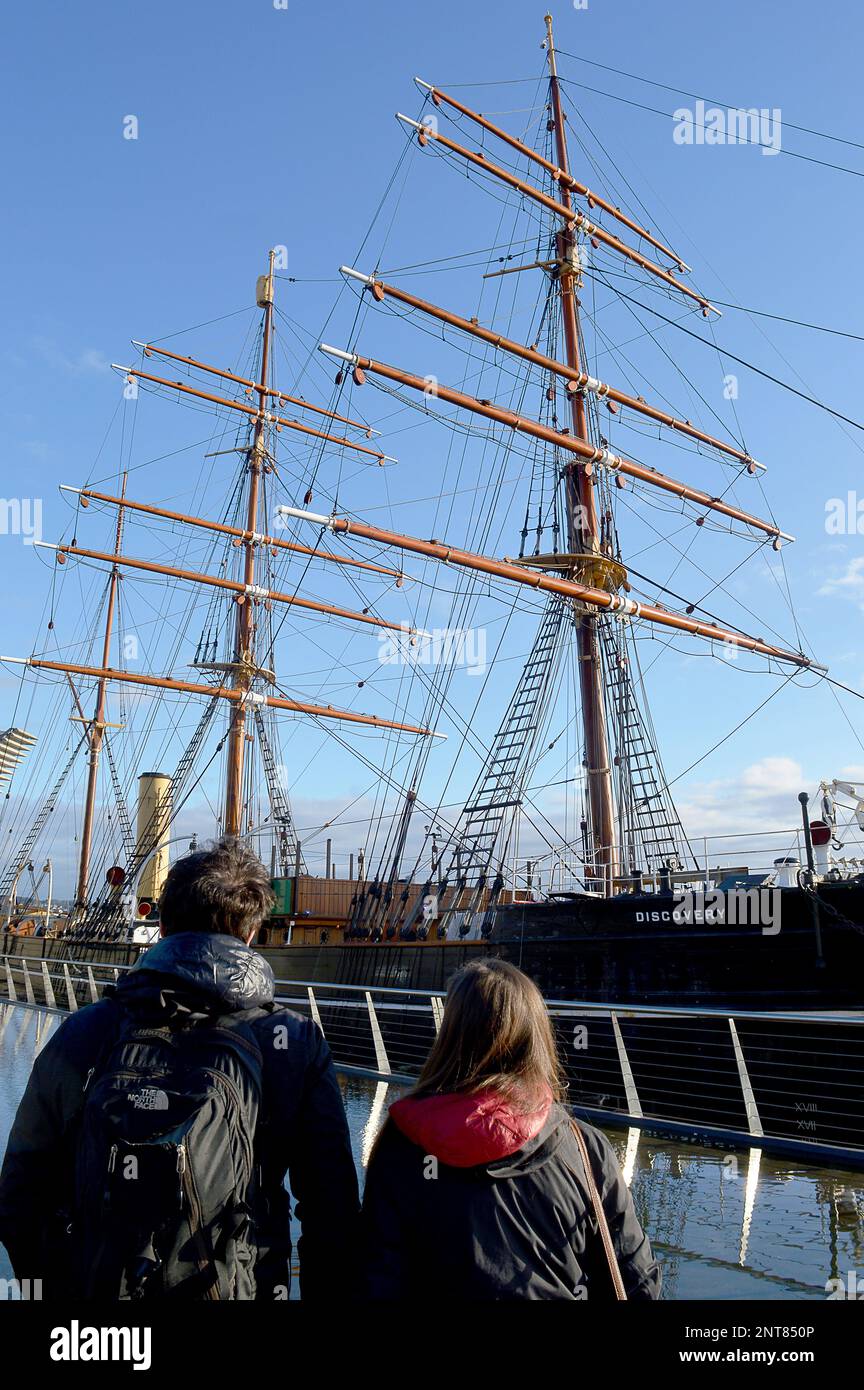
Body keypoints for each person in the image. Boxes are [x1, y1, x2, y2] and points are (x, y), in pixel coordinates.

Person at [0, 837, 359, 1300]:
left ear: (163, 924)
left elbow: (20, 1190)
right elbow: (332, 1210)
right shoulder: (293, 1042)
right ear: (252, 935)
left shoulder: (87, 1030)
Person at [361, 958, 660, 1301]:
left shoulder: (403, 1143)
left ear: (451, 1035)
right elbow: (637, 1279)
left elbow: (378, 1276)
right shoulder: (583, 1147)